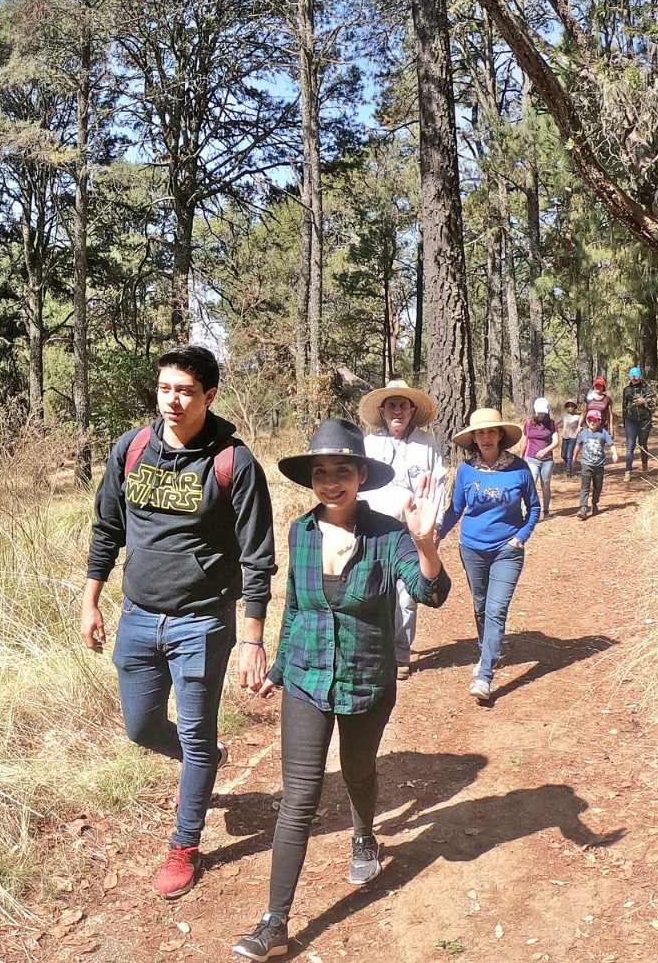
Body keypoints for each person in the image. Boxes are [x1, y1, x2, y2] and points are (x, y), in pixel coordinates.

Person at [231, 419, 445, 960]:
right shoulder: (300, 531)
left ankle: (364, 833)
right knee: (298, 798)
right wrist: (279, 666)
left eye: (342, 471)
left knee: (357, 769)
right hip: (306, 678)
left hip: (366, 680)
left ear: (360, 476)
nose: (331, 482)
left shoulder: (388, 535)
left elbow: (430, 592)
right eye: (321, 473)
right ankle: (275, 923)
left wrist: (425, 542)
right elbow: (296, 607)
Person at [81, 345, 278, 899]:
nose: (173, 400)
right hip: (137, 616)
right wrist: (90, 601)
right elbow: (107, 529)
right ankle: (204, 762)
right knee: (141, 727)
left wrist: (253, 638)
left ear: (209, 396)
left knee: (195, 731)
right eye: (166, 388)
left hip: (202, 622)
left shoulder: (233, 463)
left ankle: (184, 844)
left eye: (186, 391)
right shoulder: (132, 449)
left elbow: (257, 556)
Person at [438, 407, 540, 705]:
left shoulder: (519, 469)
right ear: (473, 438)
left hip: (507, 550)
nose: (485, 437)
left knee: (496, 610)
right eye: (480, 433)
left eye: (491, 431)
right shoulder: (466, 471)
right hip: (471, 549)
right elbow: (456, 509)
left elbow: (534, 507)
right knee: (481, 606)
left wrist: (521, 536)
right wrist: (436, 535)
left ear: (500, 435)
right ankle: (487, 651)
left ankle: (484, 675)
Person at [358, 379, 449, 681]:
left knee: (407, 594)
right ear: (382, 411)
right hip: (373, 529)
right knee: (372, 589)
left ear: (412, 410)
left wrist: (434, 527)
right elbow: (356, 484)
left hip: (411, 531)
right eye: (392, 405)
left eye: (403, 406)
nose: (397, 411)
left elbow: (438, 484)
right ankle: (375, 648)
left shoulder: (427, 443)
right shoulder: (369, 444)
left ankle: (400, 652)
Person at [575, 406, 616, 520]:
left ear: (599, 421)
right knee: (585, 486)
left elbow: (611, 444)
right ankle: (583, 508)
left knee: (598, 486)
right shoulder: (583, 433)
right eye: (589, 420)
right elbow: (578, 445)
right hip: (586, 464)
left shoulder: (603, 433)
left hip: (599, 465)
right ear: (587, 421)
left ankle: (594, 503)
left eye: (594, 420)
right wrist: (574, 458)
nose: (592, 422)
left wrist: (614, 454)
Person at [522, 397, 558, 509]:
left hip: (547, 460)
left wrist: (545, 451)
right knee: (531, 482)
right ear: (535, 411)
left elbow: (556, 442)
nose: (541, 415)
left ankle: (546, 509)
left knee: (545, 485)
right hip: (531, 458)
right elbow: (525, 441)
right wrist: (521, 457)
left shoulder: (551, 424)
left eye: (543, 413)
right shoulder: (528, 423)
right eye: (539, 412)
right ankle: (528, 509)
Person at [622, 366, 655, 472]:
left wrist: (645, 401)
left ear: (640, 376)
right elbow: (624, 407)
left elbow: (654, 404)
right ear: (629, 377)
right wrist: (624, 423)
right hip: (631, 421)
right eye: (632, 376)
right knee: (630, 446)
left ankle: (645, 468)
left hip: (645, 421)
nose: (634, 378)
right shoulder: (626, 390)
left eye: (636, 376)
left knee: (643, 444)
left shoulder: (647, 389)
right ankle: (628, 471)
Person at [559, 399, 584, 475]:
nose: (570, 407)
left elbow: (581, 425)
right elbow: (560, 423)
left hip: (573, 437)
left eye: (572, 406)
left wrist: (579, 429)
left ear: (575, 407)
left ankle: (568, 471)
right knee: (563, 455)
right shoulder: (564, 415)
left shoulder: (578, 416)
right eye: (568, 406)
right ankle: (570, 464)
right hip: (565, 436)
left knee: (569, 454)